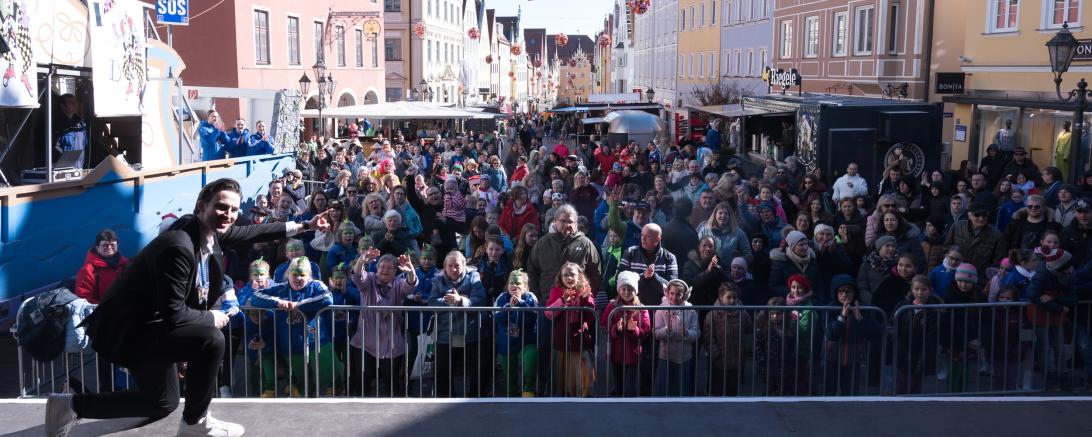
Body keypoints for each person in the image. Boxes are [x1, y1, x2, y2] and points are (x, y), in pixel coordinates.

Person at [47, 178, 331, 437]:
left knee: (161, 402)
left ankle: (72, 406)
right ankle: (196, 424)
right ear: (201, 206)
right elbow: (175, 314)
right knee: (211, 340)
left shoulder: (205, 231)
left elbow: (250, 232)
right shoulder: (179, 246)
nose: (228, 215)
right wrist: (212, 316)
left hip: (149, 327)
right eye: (221, 207)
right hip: (130, 330)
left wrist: (304, 225)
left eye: (233, 209)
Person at [249, 257, 340, 396]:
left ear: (308, 275)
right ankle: (303, 399)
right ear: (288, 274)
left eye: (302, 274)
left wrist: (299, 304)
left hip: (318, 342)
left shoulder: (316, 285)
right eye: (294, 274)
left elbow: (328, 298)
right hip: (291, 345)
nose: (298, 278)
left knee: (329, 372)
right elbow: (255, 297)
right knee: (302, 380)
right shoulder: (280, 289)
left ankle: (308, 392)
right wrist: (277, 302)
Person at [348, 250, 418, 397]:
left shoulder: (399, 283)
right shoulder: (370, 279)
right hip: (365, 342)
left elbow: (410, 285)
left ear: (395, 270)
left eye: (389, 268)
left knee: (390, 382)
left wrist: (411, 271)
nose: (385, 270)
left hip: (392, 343)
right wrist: (361, 260)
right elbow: (357, 277)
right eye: (382, 267)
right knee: (363, 379)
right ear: (377, 268)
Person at [428, 250, 488, 397]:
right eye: (450, 266)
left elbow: (479, 300)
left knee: (479, 368)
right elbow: (431, 303)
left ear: (464, 265)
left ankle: (477, 399)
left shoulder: (474, 277)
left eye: (457, 265)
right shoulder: (437, 280)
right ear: (444, 266)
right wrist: (450, 300)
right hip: (445, 331)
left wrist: (461, 301)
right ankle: (445, 398)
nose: (453, 269)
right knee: (443, 369)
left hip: (472, 330)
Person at [546, 262, 598, 397]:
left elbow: (590, 316)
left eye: (572, 275)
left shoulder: (584, 291)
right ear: (561, 277)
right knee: (563, 374)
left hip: (580, 342)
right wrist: (562, 300)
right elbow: (549, 314)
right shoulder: (556, 291)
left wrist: (587, 299)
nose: (569, 278)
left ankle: (586, 397)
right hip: (562, 342)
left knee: (584, 374)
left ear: (579, 276)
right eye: (566, 275)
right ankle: (564, 396)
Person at [824, 275, 879, 396]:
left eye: (848, 291)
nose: (844, 294)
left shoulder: (862, 308)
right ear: (835, 292)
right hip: (832, 358)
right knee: (829, 393)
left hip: (853, 359)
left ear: (854, 292)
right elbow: (831, 334)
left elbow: (874, 333)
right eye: (841, 291)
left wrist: (861, 320)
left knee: (850, 395)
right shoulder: (830, 307)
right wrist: (842, 317)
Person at [601, 271, 650, 397]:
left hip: (632, 354)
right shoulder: (612, 306)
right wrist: (616, 329)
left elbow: (646, 330)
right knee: (617, 384)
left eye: (630, 289)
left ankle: (629, 409)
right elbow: (604, 325)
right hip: (615, 352)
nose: (627, 292)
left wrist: (633, 330)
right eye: (624, 288)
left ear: (635, 291)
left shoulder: (641, 307)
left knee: (629, 386)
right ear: (618, 289)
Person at [494, 269, 540, 397]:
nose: (514, 286)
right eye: (511, 283)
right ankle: (512, 397)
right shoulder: (502, 298)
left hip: (526, 341)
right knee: (510, 376)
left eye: (518, 283)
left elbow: (533, 317)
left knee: (531, 360)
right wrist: (508, 307)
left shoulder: (531, 297)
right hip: (507, 343)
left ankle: (528, 390)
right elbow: (497, 319)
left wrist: (521, 304)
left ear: (525, 286)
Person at [653, 279, 699, 397]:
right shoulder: (661, 309)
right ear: (667, 293)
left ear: (684, 295)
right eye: (672, 293)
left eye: (678, 294)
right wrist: (666, 330)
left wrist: (687, 334)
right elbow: (656, 332)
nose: (674, 297)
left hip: (684, 357)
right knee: (663, 388)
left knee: (680, 389)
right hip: (666, 356)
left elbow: (697, 332)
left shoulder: (691, 310)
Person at [946, 202, 1007, 284]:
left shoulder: (997, 235)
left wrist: (987, 279)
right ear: (969, 215)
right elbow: (947, 247)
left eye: (984, 215)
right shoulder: (957, 226)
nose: (981, 218)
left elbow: (998, 261)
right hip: (954, 275)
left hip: (979, 280)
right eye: (977, 215)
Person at [73, 229, 130, 304]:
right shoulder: (88, 270)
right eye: (105, 245)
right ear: (97, 247)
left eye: (113, 245)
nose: (109, 248)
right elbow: (84, 299)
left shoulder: (125, 264)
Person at [54, 93, 89, 169]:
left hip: (80, 168)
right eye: (71, 103)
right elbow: (54, 146)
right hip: (63, 170)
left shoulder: (80, 124)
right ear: (62, 106)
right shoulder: (56, 124)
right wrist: (66, 159)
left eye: (75, 102)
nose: (75, 105)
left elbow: (84, 146)